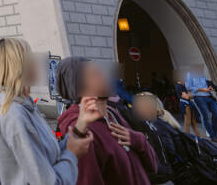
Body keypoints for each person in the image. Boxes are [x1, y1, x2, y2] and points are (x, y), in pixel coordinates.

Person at [0, 37, 93, 185]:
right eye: (30, 58)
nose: (36, 63)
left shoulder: (25, 107)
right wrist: (72, 154)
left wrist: (80, 125)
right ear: (18, 66)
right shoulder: (14, 115)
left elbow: (48, 156)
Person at [56, 56, 157, 185]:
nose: (105, 76)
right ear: (78, 86)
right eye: (96, 74)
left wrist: (139, 140)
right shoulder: (82, 130)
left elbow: (153, 166)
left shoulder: (114, 113)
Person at [185, 68, 217, 142]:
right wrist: (202, 89)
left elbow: (206, 85)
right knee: (206, 116)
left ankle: (214, 134)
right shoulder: (189, 75)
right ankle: (213, 136)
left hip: (209, 97)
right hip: (199, 97)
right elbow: (188, 87)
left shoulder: (202, 75)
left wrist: (209, 88)